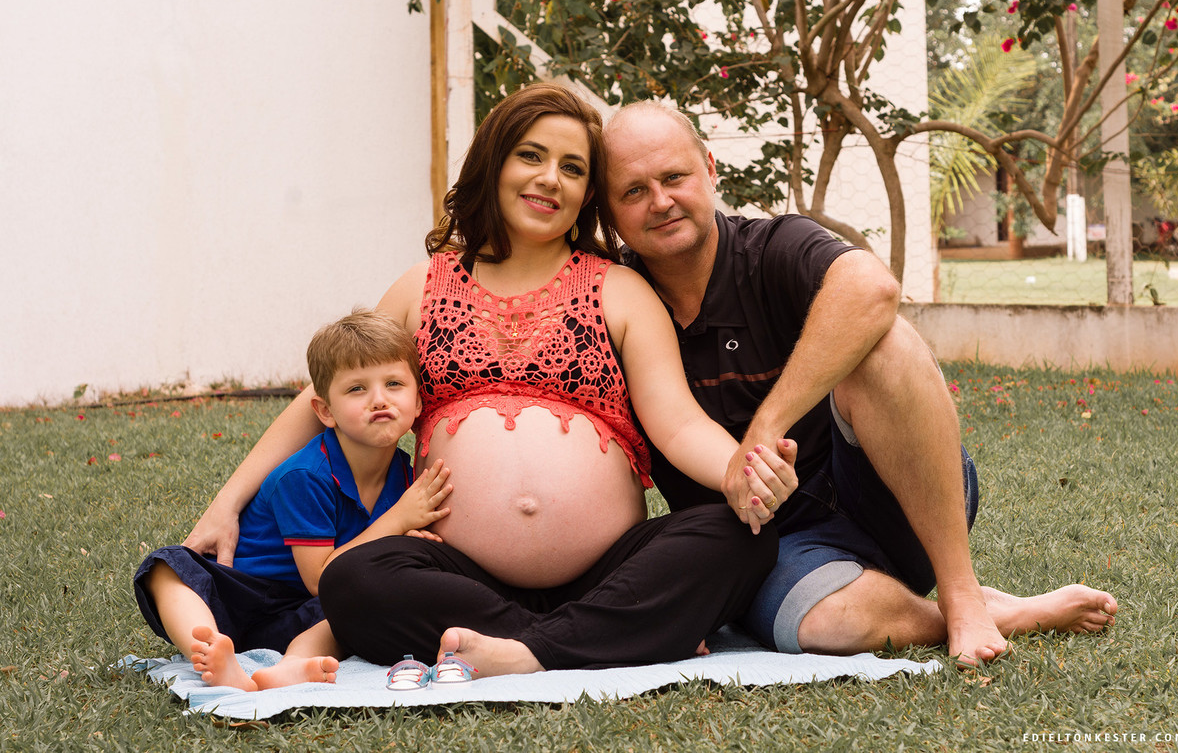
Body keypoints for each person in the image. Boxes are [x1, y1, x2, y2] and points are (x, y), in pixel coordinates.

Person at [182, 83, 794, 679]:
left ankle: (524, 650)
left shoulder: (620, 289)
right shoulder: (423, 286)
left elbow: (680, 422)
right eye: (531, 155)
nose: (550, 178)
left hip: (609, 569)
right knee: (352, 579)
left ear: (589, 195)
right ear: (493, 163)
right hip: (457, 576)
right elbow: (328, 396)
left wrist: (742, 470)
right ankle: (607, 635)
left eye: (573, 167)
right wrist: (225, 503)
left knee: (737, 536)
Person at [603, 100, 1119, 667]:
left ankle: (963, 593)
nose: (660, 201)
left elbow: (872, 288)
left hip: (900, 497)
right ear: (608, 208)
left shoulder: (770, 249)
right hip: (769, 548)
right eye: (633, 191)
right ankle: (997, 613)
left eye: (674, 177)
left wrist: (764, 429)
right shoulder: (615, 303)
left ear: (709, 168)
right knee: (830, 624)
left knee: (883, 341)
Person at [135, 310, 451, 690]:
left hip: (308, 615)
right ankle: (209, 651)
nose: (378, 399)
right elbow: (320, 577)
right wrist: (398, 521)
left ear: (419, 404)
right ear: (324, 411)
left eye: (394, 384)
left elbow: (346, 580)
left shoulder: (403, 475)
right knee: (164, 567)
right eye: (356, 389)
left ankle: (293, 664)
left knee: (368, 596)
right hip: (240, 597)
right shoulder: (306, 475)